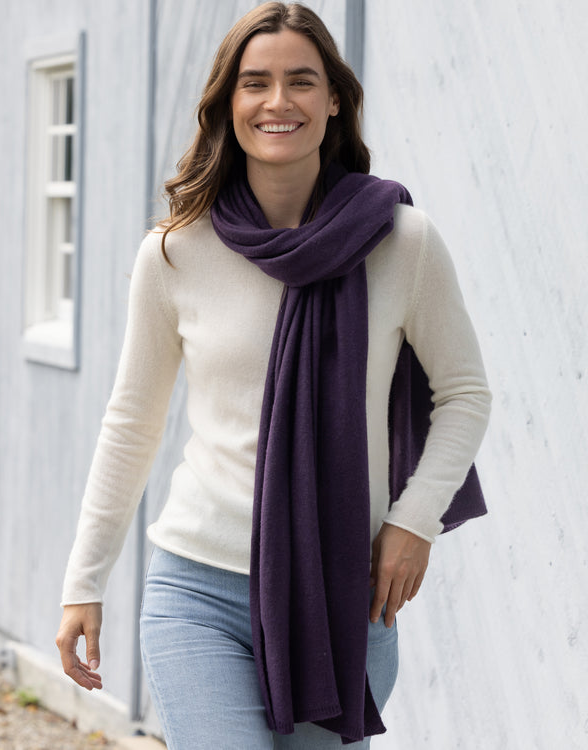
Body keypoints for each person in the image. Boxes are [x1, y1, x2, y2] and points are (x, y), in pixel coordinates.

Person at [56, 3, 491, 748]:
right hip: (198, 589)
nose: (278, 101)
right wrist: (83, 580)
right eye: (256, 82)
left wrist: (414, 521)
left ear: (334, 100)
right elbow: (132, 422)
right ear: (230, 101)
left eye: (301, 81)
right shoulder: (175, 252)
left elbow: (464, 393)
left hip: (340, 596)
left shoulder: (400, 241)